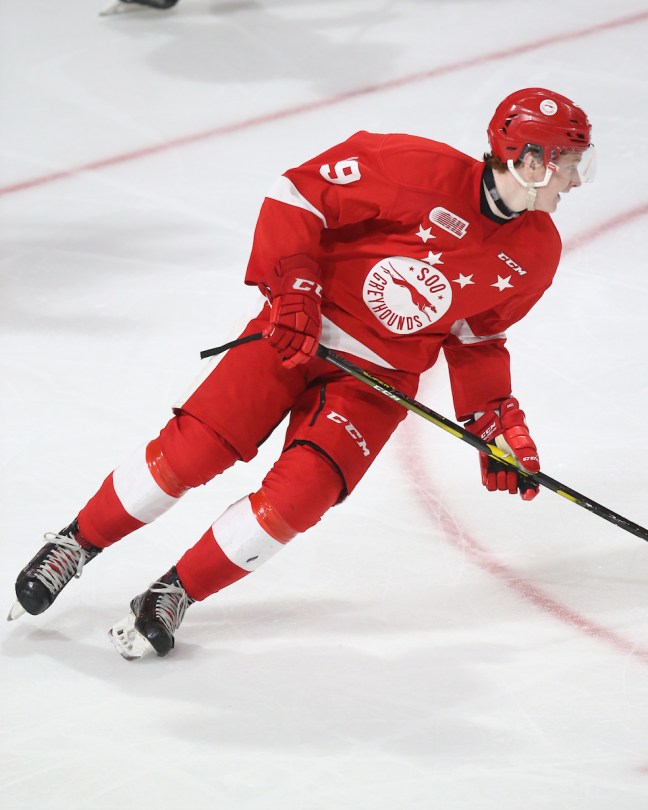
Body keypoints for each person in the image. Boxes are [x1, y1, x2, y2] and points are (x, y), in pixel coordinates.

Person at [8, 87, 595, 660]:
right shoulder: (411, 165)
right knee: (192, 453)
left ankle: (171, 594)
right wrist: (295, 285)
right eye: (569, 163)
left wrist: (494, 421)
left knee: (301, 496)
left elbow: (479, 334)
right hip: (300, 330)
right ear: (530, 160)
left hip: (378, 381)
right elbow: (299, 192)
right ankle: (74, 544)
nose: (576, 180)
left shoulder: (537, 251)